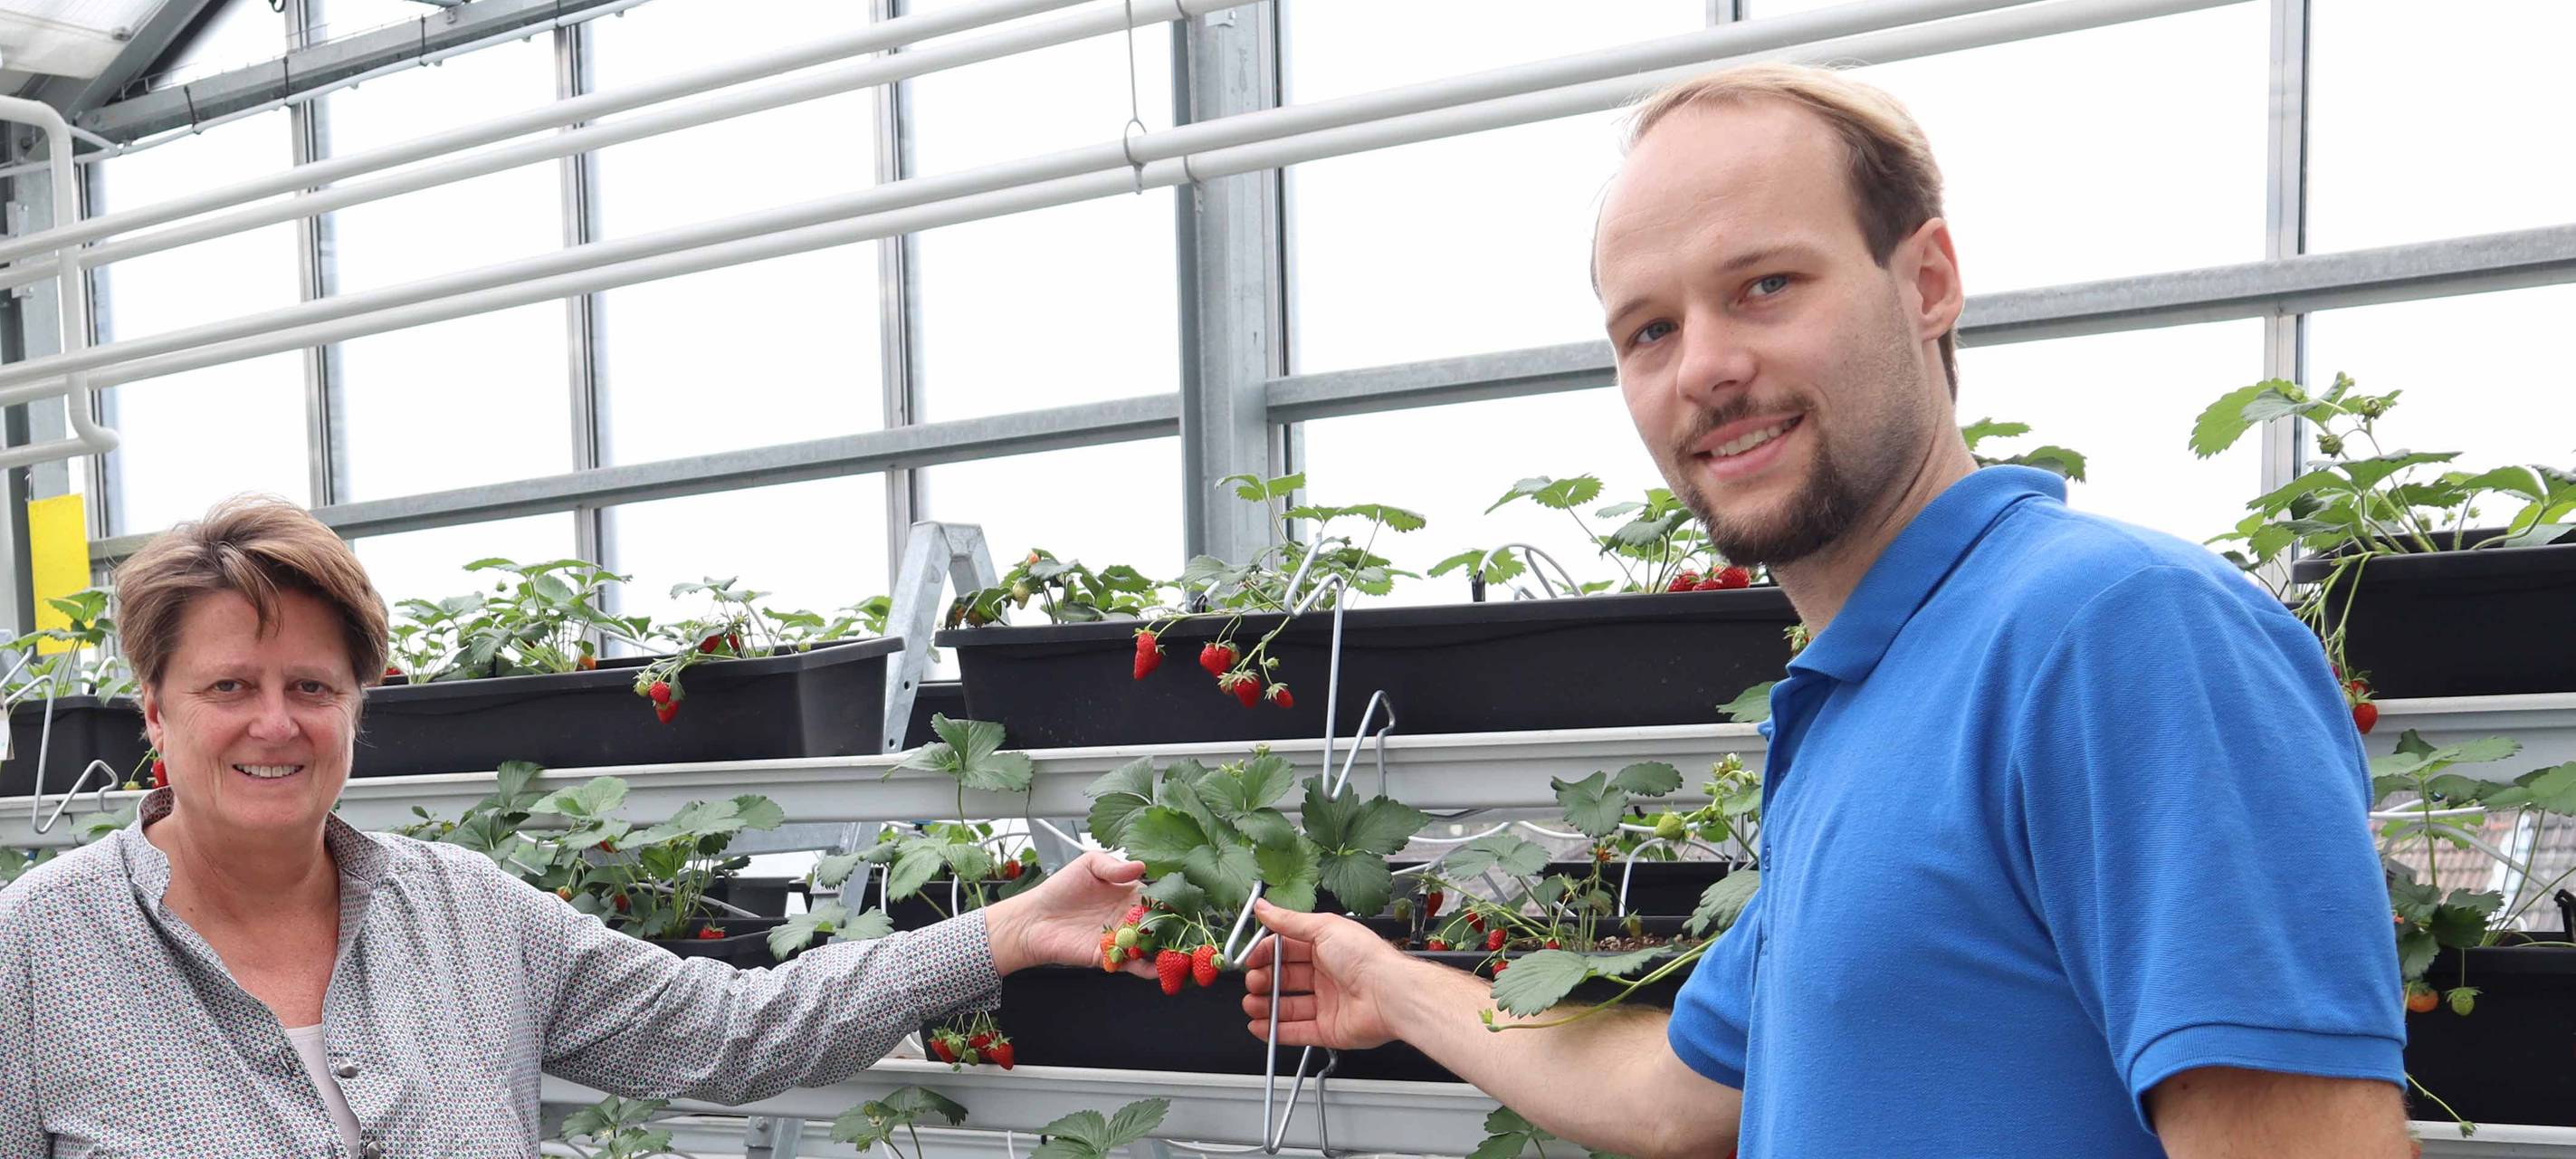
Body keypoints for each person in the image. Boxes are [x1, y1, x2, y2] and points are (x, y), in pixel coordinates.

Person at [1243, 63, 2408, 1159]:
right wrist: (1387, 981)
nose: (1701, 365)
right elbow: (1670, 1096)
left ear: (1927, 283)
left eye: (1763, 284)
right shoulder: (1857, 697)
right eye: (1648, 327)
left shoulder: (2115, 634)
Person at [0, 496, 1148, 1155]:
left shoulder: (464, 913)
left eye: (311, 685)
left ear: (358, 702)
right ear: (154, 706)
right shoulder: (37, 952)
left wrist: (1005, 927)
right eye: (228, 687)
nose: (275, 723)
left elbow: (735, 1030)